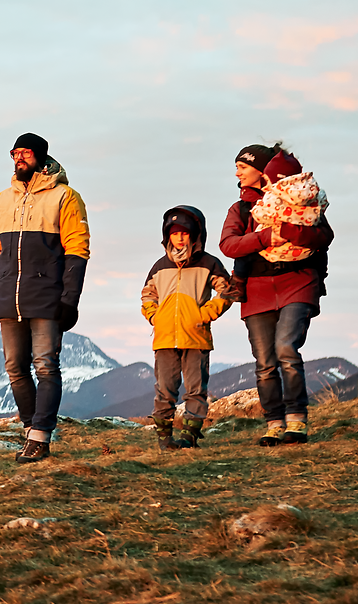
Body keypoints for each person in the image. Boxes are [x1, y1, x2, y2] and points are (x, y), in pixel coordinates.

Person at [0, 132, 90, 464]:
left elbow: (77, 251)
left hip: (47, 297)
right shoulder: (2, 200)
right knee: (14, 367)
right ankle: (30, 432)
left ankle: (40, 436)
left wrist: (70, 299)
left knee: (46, 366)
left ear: (40, 157)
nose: (18, 159)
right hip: (10, 297)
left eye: (25, 153)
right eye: (15, 153)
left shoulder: (65, 198)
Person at [219, 144, 335, 445]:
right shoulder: (241, 209)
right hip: (256, 288)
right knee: (265, 361)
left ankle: (296, 420)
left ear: (261, 171)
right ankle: (274, 423)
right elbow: (228, 245)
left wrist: (290, 231)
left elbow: (325, 236)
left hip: (298, 281)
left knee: (286, 347)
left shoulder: (301, 201)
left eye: (242, 167)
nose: (236, 172)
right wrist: (266, 236)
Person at [140, 205, 234, 449]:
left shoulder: (208, 263)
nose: (179, 237)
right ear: (167, 236)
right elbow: (148, 295)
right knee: (165, 390)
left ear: (195, 234)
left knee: (195, 390)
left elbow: (227, 290)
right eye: (174, 232)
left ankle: (190, 437)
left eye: (184, 232)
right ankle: (164, 440)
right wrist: (154, 317)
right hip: (164, 338)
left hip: (196, 336)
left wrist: (205, 314)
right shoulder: (160, 266)